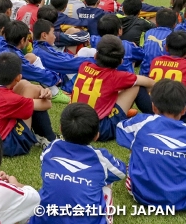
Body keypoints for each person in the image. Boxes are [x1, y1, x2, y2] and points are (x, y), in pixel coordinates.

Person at [32, 103, 126, 224]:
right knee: (107, 182)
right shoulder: (100, 157)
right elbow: (121, 173)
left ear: (60, 128)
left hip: (44, 219)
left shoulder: (51, 149)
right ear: (97, 136)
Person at [117, 79, 186, 210]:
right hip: (182, 200)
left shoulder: (141, 122)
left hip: (142, 195)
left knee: (135, 143)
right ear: (183, 110)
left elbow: (120, 129)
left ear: (153, 107)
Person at [71, 35, 154, 141]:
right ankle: (157, 118)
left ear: (96, 55)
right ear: (121, 62)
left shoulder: (84, 66)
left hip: (74, 123)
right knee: (136, 86)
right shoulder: (116, 77)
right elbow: (150, 82)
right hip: (99, 129)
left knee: (119, 87)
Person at [0, 52, 54, 156]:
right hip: (5, 145)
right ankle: (49, 138)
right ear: (18, 77)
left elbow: (22, 84)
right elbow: (47, 105)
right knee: (31, 89)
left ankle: (44, 137)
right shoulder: (9, 99)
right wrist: (45, 92)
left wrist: (40, 89)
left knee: (25, 84)